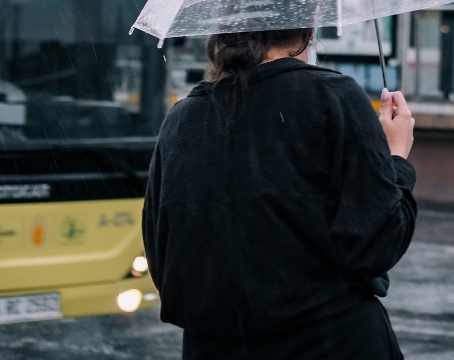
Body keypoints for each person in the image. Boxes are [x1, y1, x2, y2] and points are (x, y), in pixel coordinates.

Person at [142, 28, 417, 360]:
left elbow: (165, 260)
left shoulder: (181, 120)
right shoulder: (332, 96)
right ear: (311, 23)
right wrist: (396, 159)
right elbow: (378, 243)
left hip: (216, 347)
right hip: (333, 343)